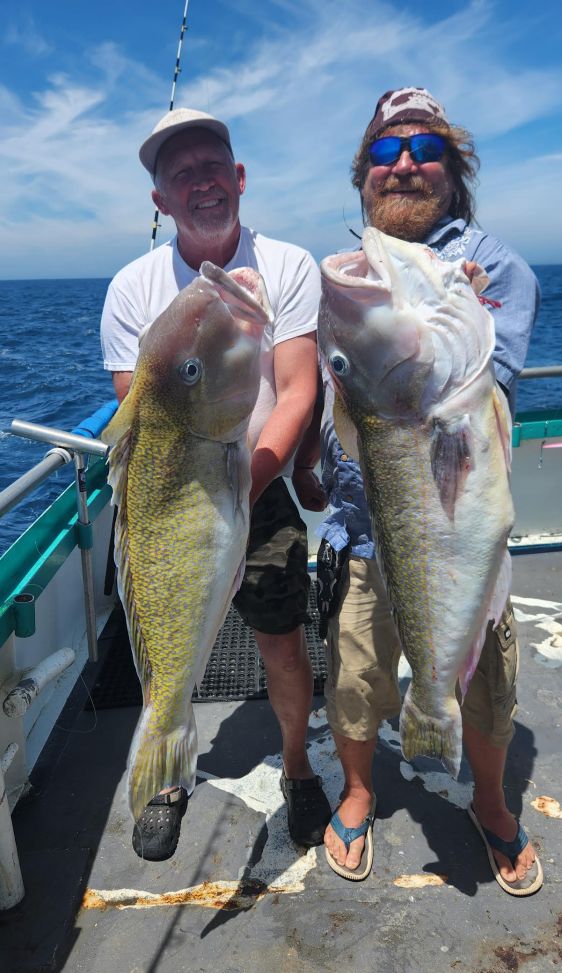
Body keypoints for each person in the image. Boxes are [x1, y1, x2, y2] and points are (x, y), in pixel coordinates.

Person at [310, 87, 543, 893]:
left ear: (454, 170)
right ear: (363, 174)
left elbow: (481, 392)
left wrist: (452, 302)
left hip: (452, 531)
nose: (402, 164)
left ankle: (490, 804)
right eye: (383, 151)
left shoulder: (498, 268)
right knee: (352, 680)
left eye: (423, 149)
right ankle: (361, 788)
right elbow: (339, 396)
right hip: (358, 531)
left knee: (484, 685)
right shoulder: (352, 276)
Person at [100, 107, 331, 861]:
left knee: (283, 647)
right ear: (160, 201)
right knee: (166, 649)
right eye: (179, 174)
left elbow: (296, 390)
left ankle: (297, 768)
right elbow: (147, 410)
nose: (200, 182)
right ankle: (168, 773)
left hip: (255, 484)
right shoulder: (131, 290)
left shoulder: (288, 265)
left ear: (237, 178)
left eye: (212, 166)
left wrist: (250, 483)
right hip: (172, 507)